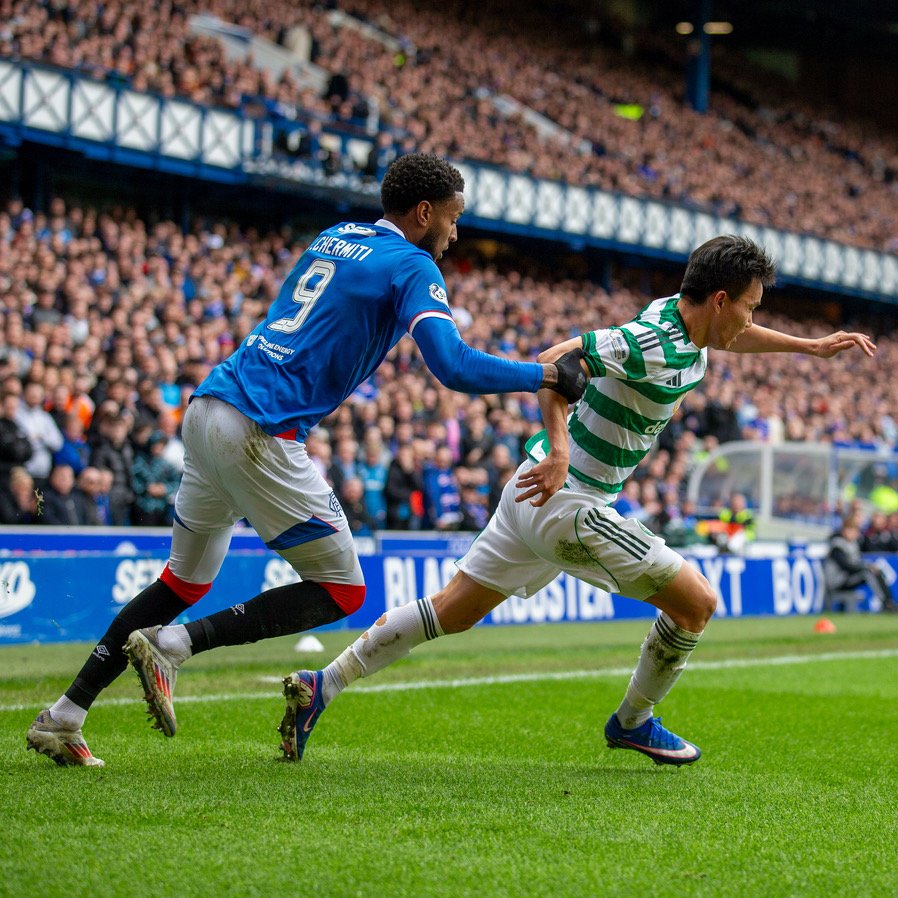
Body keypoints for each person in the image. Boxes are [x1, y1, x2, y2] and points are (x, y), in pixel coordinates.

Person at [25, 153, 589, 767]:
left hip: (209, 406)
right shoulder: (412, 264)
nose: (455, 234)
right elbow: (451, 365)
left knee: (181, 580)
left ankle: (64, 716)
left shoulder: (334, 235)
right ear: (424, 212)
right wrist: (545, 372)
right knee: (343, 593)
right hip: (260, 430)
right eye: (453, 219)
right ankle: (172, 646)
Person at [276, 235, 876, 766]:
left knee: (452, 611)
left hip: (528, 490)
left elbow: (734, 339)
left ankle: (321, 685)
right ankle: (633, 723)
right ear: (720, 299)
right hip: (569, 497)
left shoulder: (688, 325)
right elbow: (554, 362)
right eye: (749, 305)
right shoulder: (654, 338)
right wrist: (562, 450)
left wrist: (810, 347)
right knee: (697, 604)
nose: (750, 320)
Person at [824, 511, 898, 613]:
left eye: (855, 530)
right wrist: (866, 566)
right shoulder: (837, 545)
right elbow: (846, 566)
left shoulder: (853, 543)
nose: (853, 533)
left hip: (847, 578)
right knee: (868, 572)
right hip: (838, 581)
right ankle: (885, 604)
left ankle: (889, 601)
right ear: (844, 530)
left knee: (875, 571)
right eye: (850, 530)